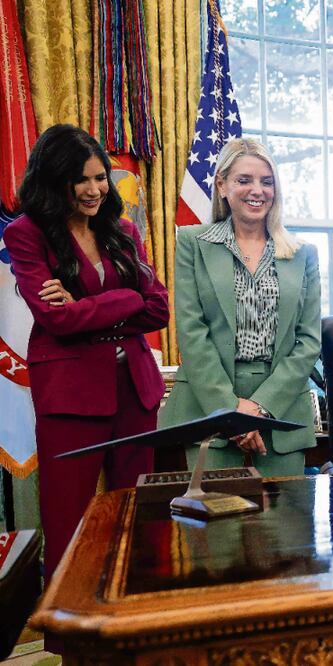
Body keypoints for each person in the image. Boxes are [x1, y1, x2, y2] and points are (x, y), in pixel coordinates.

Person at [3, 124, 168, 586]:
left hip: (136, 390)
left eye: (101, 178)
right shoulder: (27, 234)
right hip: (70, 396)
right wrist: (125, 300)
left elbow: (158, 306)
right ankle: (68, 645)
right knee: (69, 522)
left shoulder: (123, 230)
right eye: (83, 180)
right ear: (56, 180)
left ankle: (133, 624)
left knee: (136, 515)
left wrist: (86, 306)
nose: (96, 190)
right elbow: (56, 321)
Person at [159, 138, 321, 477]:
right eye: (244, 180)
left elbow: (309, 341)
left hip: (281, 407)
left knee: (284, 528)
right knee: (219, 527)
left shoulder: (303, 253)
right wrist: (231, 411)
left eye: (266, 181)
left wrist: (259, 409)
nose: (257, 190)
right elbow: (192, 332)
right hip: (211, 405)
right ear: (222, 185)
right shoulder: (193, 243)